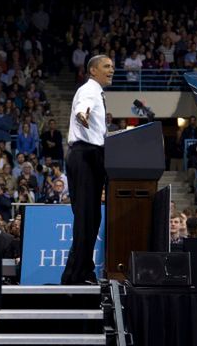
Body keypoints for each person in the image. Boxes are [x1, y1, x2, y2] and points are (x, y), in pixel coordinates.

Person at [61, 55, 112, 285]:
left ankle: (83, 271)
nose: (111, 70)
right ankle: (75, 276)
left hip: (92, 156)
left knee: (91, 218)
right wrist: (82, 116)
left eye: (112, 66)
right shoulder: (89, 90)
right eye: (106, 66)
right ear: (93, 70)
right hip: (85, 155)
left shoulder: (97, 92)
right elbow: (82, 109)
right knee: (86, 218)